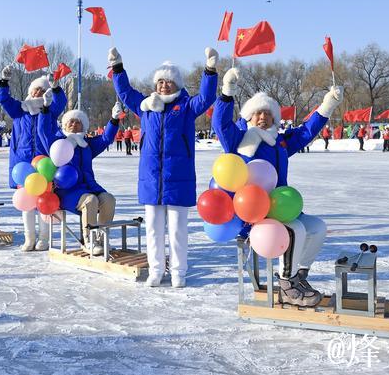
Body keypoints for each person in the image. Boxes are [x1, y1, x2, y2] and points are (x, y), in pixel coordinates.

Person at [213, 68, 344, 307]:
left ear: (274, 118)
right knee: (295, 231)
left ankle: (298, 275)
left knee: (317, 228)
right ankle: (287, 285)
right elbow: (220, 123)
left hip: (279, 206)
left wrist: (328, 105)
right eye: (257, 113)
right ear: (248, 117)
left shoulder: (279, 142)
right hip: (250, 213)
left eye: (267, 113)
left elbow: (305, 132)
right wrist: (227, 91)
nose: (262, 117)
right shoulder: (237, 140)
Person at [110, 45, 219, 288]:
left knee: (178, 231)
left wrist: (210, 70)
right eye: (160, 82)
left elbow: (207, 98)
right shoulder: (146, 106)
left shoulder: (187, 106)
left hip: (178, 177)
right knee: (153, 230)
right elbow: (126, 92)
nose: (163, 86)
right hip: (151, 178)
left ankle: (179, 272)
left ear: (176, 84)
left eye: (168, 82)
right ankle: (156, 270)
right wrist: (118, 67)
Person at [38, 102, 123, 254]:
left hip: (89, 186)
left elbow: (105, 139)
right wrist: (45, 109)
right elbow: (42, 131)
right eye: (71, 121)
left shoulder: (87, 145)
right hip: (65, 190)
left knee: (109, 199)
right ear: (65, 125)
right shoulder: (57, 142)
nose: (74, 124)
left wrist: (114, 120)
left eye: (78, 122)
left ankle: (101, 239)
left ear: (83, 127)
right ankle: (88, 240)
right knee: (90, 201)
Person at [0, 69, 67, 251]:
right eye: (36, 89)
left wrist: (56, 87)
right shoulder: (19, 111)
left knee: (44, 201)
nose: (38, 92)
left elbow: (62, 102)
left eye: (42, 90)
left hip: (44, 163)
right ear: (30, 91)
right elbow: (4, 100)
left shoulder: (50, 111)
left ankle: (44, 238)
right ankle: (29, 238)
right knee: (27, 202)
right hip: (24, 164)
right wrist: (4, 82)